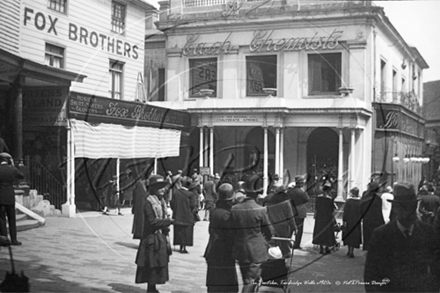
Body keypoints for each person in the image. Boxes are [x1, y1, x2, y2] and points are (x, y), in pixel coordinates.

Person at [364, 182, 440, 292]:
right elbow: (371, 275)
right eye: (403, 207)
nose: (409, 212)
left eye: (411, 206)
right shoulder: (381, 235)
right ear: (395, 208)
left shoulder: (426, 231)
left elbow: (435, 264)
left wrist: (432, 288)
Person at [231, 174, 274, 293]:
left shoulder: (235, 209)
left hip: (240, 248)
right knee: (251, 280)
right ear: (258, 193)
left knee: (246, 277)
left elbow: (231, 229)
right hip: (257, 250)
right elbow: (269, 231)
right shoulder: (260, 210)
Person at [135, 174, 174, 293]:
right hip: (151, 238)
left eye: (163, 186)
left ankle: (153, 287)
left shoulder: (161, 201)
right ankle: (150, 288)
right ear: (152, 189)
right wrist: (168, 221)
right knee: (151, 264)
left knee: (157, 263)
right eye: (159, 187)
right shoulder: (148, 203)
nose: (163, 189)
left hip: (160, 237)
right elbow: (151, 221)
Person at [204, 183, 238, 293]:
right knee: (226, 285)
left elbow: (210, 230)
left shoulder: (214, 211)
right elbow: (230, 235)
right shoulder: (227, 215)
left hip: (212, 250)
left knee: (213, 283)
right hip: (224, 252)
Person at [263, 183, 297, 258]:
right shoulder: (285, 201)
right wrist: (294, 227)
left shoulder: (268, 199)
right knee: (285, 246)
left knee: (271, 245)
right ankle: (284, 262)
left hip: (271, 225)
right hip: (283, 226)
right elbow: (290, 216)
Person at [0, 152, 24, 246]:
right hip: (10, 196)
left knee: (1, 219)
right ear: (8, 160)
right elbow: (21, 175)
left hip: (1, 197)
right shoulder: (12, 169)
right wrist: (13, 165)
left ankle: (4, 239)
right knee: (12, 219)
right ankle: (14, 239)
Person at [170, 177, 197, 253]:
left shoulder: (176, 192)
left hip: (177, 215)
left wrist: (175, 210)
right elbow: (193, 205)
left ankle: (180, 246)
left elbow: (172, 203)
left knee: (179, 231)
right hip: (187, 216)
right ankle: (184, 247)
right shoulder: (191, 194)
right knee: (186, 231)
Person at [312, 181, 336, 254]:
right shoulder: (330, 199)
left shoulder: (319, 198)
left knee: (319, 230)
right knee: (327, 231)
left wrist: (315, 215)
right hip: (327, 217)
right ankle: (326, 247)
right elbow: (332, 209)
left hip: (320, 216)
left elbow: (316, 207)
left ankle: (321, 247)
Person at [287, 175, 310, 249]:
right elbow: (307, 199)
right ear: (301, 183)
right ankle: (297, 244)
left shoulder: (290, 191)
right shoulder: (302, 192)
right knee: (299, 229)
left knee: (290, 228)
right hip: (300, 212)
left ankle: (287, 242)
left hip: (291, 211)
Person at [360, 181, 384, 250]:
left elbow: (361, 208)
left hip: (366, 220)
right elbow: (379, 212)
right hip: (375, 221)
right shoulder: (378, 199)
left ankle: (368, 250)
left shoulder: (364, 196)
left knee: (367, 236)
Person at [342, 187, 362, 258]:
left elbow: (345, 211)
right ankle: (351, 251)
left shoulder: (348, 201)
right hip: (356, 221)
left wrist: (344, 220)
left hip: (349, 220)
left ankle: (349, 250)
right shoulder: (360, 201)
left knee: (349, 234)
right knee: (354, 235)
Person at [132, 173, 149, 240]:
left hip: (144, 207)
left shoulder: (145, 185)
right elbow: (137, 198)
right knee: (141, 223)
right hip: (140, 208)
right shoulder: (139, 184)